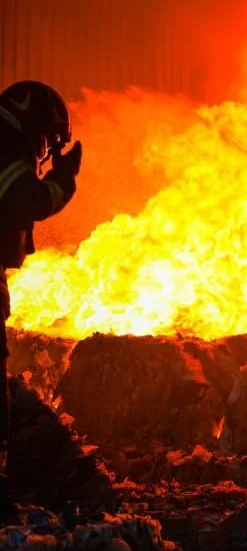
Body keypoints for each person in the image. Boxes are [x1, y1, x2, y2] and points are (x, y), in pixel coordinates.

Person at [0, 80, 81, 508]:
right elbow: (26, 201)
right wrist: (63, 180)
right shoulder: (5, 148)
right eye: (47, 137)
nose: (45, 149)